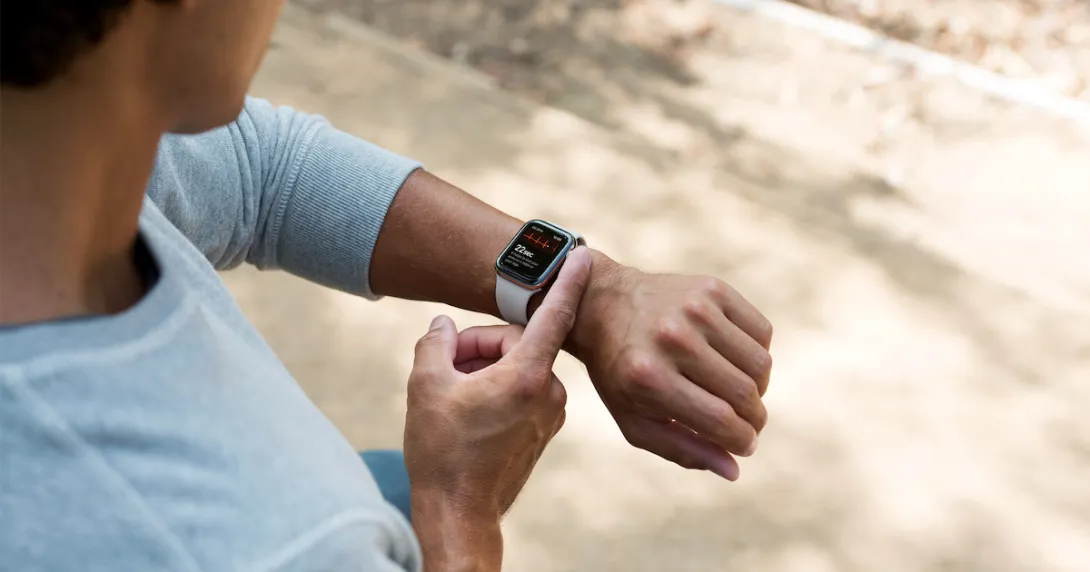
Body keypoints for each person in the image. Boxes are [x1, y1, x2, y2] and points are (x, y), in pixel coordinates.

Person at [0, 1, 773, 571]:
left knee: (391, 483)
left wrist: (590, 290)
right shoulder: (273, 543)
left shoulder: (56, 140)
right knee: (406, 495)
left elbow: (263, 173)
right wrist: (458, 511)